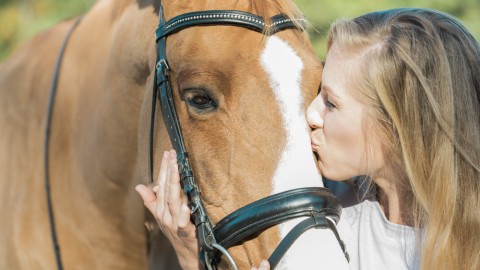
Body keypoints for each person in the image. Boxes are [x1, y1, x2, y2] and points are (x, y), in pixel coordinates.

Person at [136, 8, 480, 270]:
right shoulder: (322, 237)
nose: (310, 115)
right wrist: (191, 256)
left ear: (398, 126)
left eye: (330, 102)